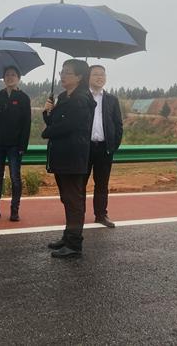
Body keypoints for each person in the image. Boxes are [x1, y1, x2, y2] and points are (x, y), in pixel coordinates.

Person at [42, 59, 95, 258]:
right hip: (62, 155)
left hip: (74, 155)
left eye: (68, 72)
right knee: (67, 198)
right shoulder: (64, 97)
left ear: (79, 77)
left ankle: (74, 244)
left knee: (73, 200)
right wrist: (48, 111)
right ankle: (68, 236)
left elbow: (69, 125)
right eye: (61, 72)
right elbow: (53, 121)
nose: (63, 76)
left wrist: (46, 132)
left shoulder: (81, 99)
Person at [0, 66, 32, 222]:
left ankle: (14, 210)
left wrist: (23, 146)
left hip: (15, 145)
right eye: (7, 75)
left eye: (13, 74)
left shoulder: (23, 98)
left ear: (18, 78)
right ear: (3, 78)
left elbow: (27, 124)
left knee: (15, 177)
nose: (10, 77)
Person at [86, 65, 123, 228]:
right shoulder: (83, 97)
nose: (99, 77)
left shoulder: (112, 100)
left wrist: (113, 146)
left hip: (104, 148)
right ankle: (77, 215)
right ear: (88, 77)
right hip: (84, 147)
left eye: (102, 74)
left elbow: (118, 124)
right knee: (79, 183)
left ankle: (101, 215)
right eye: (95, 74)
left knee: (102, 184)